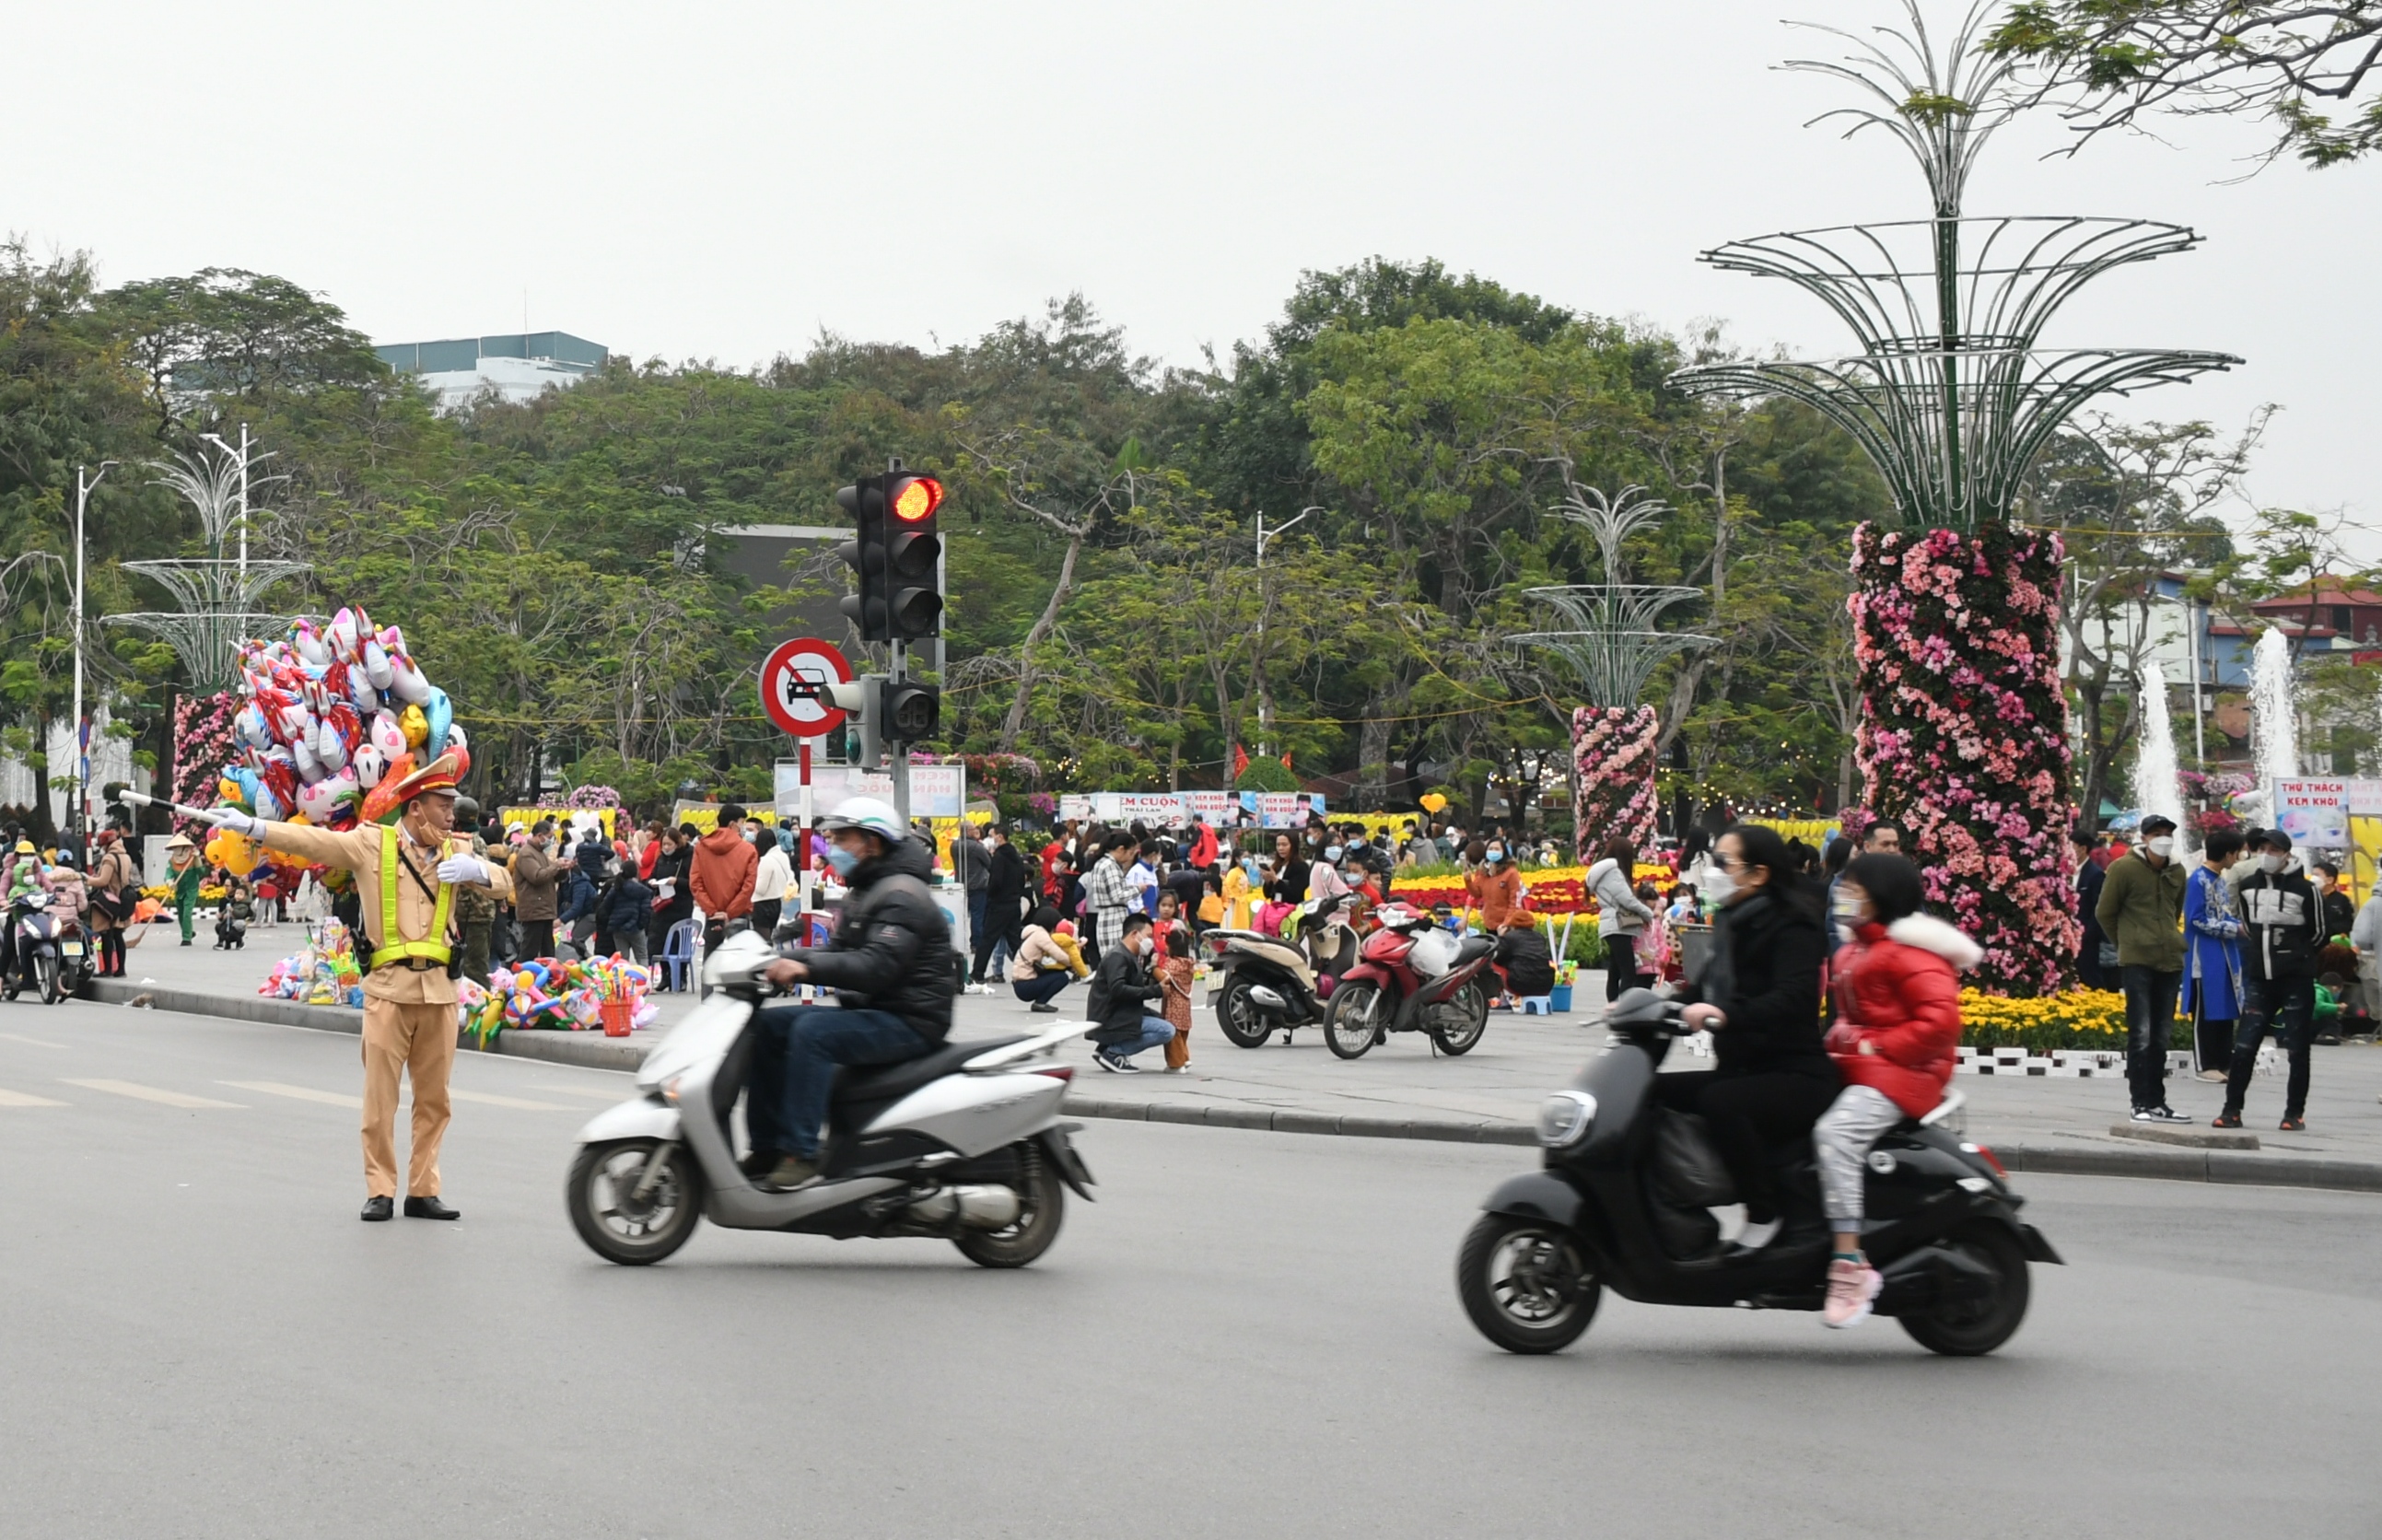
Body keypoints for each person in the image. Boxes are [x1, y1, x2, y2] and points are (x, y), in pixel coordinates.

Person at [216, 751, 508, 1221]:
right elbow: (315, 842)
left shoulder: (458, 851)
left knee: (436, 1102)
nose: (451, 815)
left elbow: (505, 882)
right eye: (442, 805)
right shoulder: (372, 844)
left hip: (439, 992)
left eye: (451, 806)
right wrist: (256, 829)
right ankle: (380, 1189)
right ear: (416, 807)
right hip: (388, 992)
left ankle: (423, 1189)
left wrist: (479, 870)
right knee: (380, 1101)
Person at [744, 797, 955, 1192]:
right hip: (877, 1010)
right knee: (769, 1025)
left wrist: (805, 967)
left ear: (873, 842)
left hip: (910, 1020)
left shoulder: (902, 895)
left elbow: (876, 966)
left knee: (812, 1034)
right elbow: (838, 953)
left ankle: (801, 1153)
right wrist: (773, 961)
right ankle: (768, 1146)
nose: (833, 848)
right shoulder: (867, 890)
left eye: (842, 839)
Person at [1811, 852, 1978, 1328]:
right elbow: (1848, 1021)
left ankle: (1849, 1264)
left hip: (1907, 1073)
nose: (1842, 897)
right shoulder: (1852, 952)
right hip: (1866, 1067)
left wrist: (1872, 1046)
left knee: (1835, 1136)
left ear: (1881, 898)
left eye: (1854, 891)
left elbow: (1940, 1024)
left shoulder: (1912, 955)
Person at [1658, 823, 1839, 1255]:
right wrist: (1647, 1008)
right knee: (1652, 1093)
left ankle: (1763, 1211)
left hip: (1794, 1073)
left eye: (1724, 863)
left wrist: (1724, 1014)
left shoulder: (1794, 925)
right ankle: (1669, 1203)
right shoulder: (1732, 921)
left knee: (1723, 1102)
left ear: (1758, 874)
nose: (1713, 871)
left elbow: (1792, 997)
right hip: (1743, 1066)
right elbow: (1700, 990)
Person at [2217, 828, 2324, 1132]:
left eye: (2274, 850)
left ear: (2287, 854)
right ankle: (2231, 1109)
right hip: (2258, 979)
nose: (2267, 855)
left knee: (2298, 1048)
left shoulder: (2306, 890)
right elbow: (2248, 926)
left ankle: (2294, 1113)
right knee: (2245, 1046)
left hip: (2295, 980)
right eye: (2262, 848)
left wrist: (2295, 956)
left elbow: (2318, 933)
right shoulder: (2249, 887)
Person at [2096, 813, 2191, 1124]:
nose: (2163, 838)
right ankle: (2139, 1102)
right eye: (2157, 833)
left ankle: (2158, 1101)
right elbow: (2105, 912)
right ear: (2145, 837)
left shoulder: (2177, 870)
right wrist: (2127, 942)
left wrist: (2168, 937)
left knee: (2162, 1036)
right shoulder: (2123, 868)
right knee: (2141, 1034)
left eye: (2168, 833)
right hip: (2137, 960)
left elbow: (2174, 910)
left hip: (2170, 960)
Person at [2184, 830, 2247, 1080]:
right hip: (2204, 955)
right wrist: (2234, 928)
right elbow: (2195, 919)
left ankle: (2223, 1061)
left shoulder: (2219, 880)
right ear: (2228, 853)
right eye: (2237, 852)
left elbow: (2223, 913)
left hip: (2225, 953)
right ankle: (2205, 1065)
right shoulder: (2197, 880)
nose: (2239, 857)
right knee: (2206, 1010)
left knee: (2225, 1008)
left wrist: (2240, 925)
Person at [1084, 912, 1171, 1073]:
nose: (1150, 942)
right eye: (1148, 936)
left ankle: (1104, 1048)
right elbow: (1118, 989)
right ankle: (1114, 1052)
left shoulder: (1127, 955)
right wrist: (1155, 990)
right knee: (1166, 1030)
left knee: (1158, 1018)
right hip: (1110, 1018)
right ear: (1134, 934)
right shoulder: (1118, 956)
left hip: (1116, 1013)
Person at [1588, 836, 1655, 1000]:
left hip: (1613, 924)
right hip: (1618, 925)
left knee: (1615, 971)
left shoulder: (1605, 871)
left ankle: (1613, 1007)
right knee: (1628, 973)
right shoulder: (1613, 872)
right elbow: (1627, 899)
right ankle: (1622, 1009)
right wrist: (1647, 913)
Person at [690, 803, 759, 958]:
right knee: (740, 963)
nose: (743, 828)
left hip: (713, 916)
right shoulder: (748, 850)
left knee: (710, 963)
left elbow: (696, 883)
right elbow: (749, 887)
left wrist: (713, 911)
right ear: (733, 824)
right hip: (739, 915)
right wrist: (730, 912)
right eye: (742, 823)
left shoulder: (701, 847)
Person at [972, 824, 1027, 986]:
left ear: (1000, 837)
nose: (989, 839)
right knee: (1015, 940)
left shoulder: (999, 857)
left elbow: (995, 881)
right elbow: (1021, 880)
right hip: (1013, 903)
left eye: (991, 835)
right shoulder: (1015, 856)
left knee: (988, 938)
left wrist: (990, 894)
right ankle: (1028, 968)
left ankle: (978, 972)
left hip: (999, 904)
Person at [1010, 904, 1089, 1012]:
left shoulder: (1034, 932)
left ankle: (1040, 1002)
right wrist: (1074, 962)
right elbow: (1058, 954)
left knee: (1057, 970)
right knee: (1062, 978)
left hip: (1020, 982)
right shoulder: (1041, 936)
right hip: (1025, 985)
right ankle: (1040, 1003)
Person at [509, 822, 564, 962]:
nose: (551, 840)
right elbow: (537, 876)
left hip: (544, 910)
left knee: (548, 952)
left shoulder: (540, 853)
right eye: (549, 836)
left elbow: (550, 875)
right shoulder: (527, 854)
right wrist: (555, 866)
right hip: (534, 910)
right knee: (530, 951)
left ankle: (549, 979)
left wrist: (563, 869)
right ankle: (522, 978)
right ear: (539, 836)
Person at [1082, 834, 1138, 965]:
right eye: (1130, 852)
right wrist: (1137, 889)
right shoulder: (1110, 866)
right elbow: (1117, 896)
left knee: (1110, 961)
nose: (1130, 857)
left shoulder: (1101, 864)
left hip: (1105, 915)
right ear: (1121, 849)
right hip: (1114, 917)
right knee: (1117, 960)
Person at [2071, 826, 2111, 989]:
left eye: (2070, 846)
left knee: (2090, 980)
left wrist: (2086, 936)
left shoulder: (2095, 874)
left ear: (2082, 849)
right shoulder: (2066, 871)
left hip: (2087, 941)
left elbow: (2098, 910)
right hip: (2068, 939)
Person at [598, 856, 654, 964]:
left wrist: (611, 920)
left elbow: (605, 906)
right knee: (642, 956)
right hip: (636, 928)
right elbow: (646, 911)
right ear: (635, 872)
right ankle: (644, 979)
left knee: (622, 958)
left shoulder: (616, 887)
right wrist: (641, 924)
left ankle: (623, 979)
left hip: (618, 927)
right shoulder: (644, 891)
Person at [1158, 921, 1196, 1072]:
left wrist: (1154, 968)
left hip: (1173, 1005)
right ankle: (1185, 1058)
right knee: (1182, 1035)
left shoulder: (1173, 964)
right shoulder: (1188, 963)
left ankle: (1176, 1064)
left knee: (1173, 1036)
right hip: (1185, 1006)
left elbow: (1164, 978)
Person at [1493, 910, 1556, 1000]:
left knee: (1492, 964)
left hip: (1520, 984)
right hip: (1546, 985)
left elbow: (1497, 958)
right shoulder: (1539, 937)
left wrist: (1500, 937)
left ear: (1512, 924)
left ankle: (1501, 999)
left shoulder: (1510, 937)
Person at [952, 821, 992, 958]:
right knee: (977, 915)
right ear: (968, 831)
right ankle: (976, 943)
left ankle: (960, 942)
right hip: (978, 885)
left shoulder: (954, 846)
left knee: (962, 915)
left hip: (961, 884)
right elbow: (988, 863)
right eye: (974, 829)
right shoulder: (977, 847)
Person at [1466, 840, 1524, 933]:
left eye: (1497, 849)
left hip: (1507, 926)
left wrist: (1506, 924)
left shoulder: (1511, 873)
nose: (1493, 851)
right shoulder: (1482, 872)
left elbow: (1515, 901)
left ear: (1503, 852)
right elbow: (1476, 894)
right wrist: (1468, 880)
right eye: (1490, 849)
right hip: (1490, 924)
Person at [751, 822, 792, 941]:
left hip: (762, 906)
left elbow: (761, 889)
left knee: (763, 942)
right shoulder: (783, 856)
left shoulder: (766, 860)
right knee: (771, 939)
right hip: (777, 902)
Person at [166, 833, 203, 947]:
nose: (175, 850)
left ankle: (186, 938)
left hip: (191, 890)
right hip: (179, 890)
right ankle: (189, 932)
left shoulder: (192, 858)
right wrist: (170, 882)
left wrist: (197, 861)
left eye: (178, 848)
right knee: (181, 914)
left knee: (187, 913)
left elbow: (201, 873)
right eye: (174, 848)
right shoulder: (172, 861)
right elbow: (168, 874)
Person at [2312, 861, 2355, 942]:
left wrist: (2329, 929)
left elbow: (2348, 922)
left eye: (2317, 875)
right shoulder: (2310, 897)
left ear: (2330, 880)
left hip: (2336, 944)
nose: (2313, 878)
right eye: (2313, 875)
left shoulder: (2342, 899)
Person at [1221, 854, 1253, 931]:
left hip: (1241, 904)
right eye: (1244, 857)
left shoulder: (1242, 872)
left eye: (1247, 857)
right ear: (1237, 859)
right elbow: (1226, 886)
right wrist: (1233, 897)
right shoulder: (1233, 872)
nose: (1247, 859)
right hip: (1233, 904)